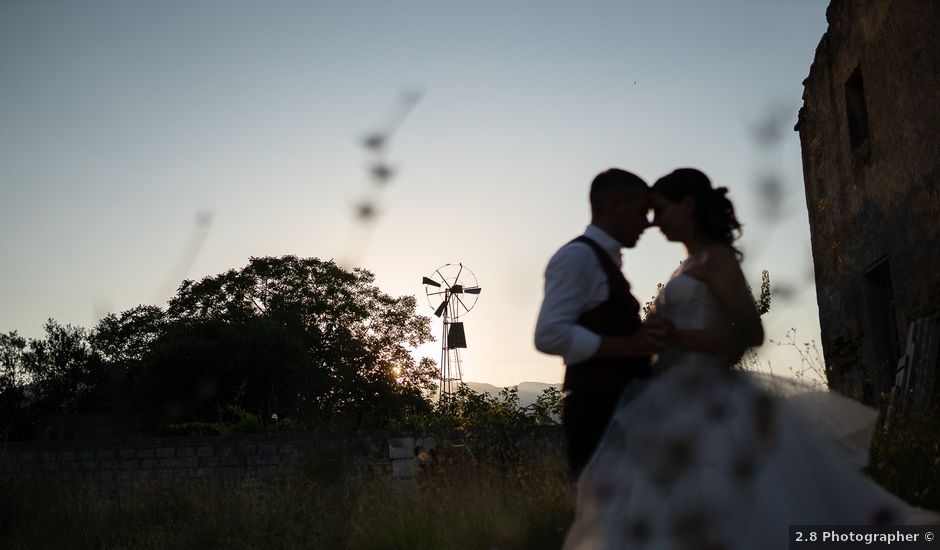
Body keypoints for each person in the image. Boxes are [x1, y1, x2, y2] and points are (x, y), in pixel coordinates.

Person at [564, 168, 933, 550]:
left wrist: (679, 336)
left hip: (711, 398)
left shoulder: (717, 259)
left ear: (687, 206)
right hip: (670, 398)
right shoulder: (683, 269)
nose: (654, 222)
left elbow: (749, 334)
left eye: (660, 210)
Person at [535, 168, 673, 480]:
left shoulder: (604, 260)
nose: (648, 223)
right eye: (641, 211)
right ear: (615, 206)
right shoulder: (579, 257)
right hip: (597, 414)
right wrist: (631, 345)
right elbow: (549, 334)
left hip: (619, 413)